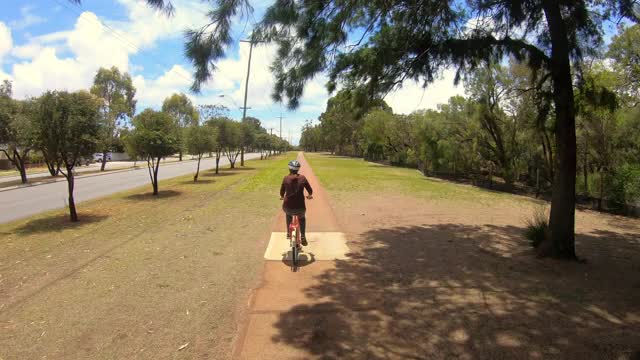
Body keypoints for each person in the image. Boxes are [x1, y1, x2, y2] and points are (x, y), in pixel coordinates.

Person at [280, 160, 313, 246]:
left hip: (288, 207)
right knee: (302, 218)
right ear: (298, 169)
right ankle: (303, 236)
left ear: (289, 169)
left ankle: (288, 232)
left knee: (288, 215)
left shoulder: (285, 178)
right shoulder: (303, 178)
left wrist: (282, 196)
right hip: (300, 208)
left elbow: (282, 191)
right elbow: (310, 190)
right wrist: (309, 195)